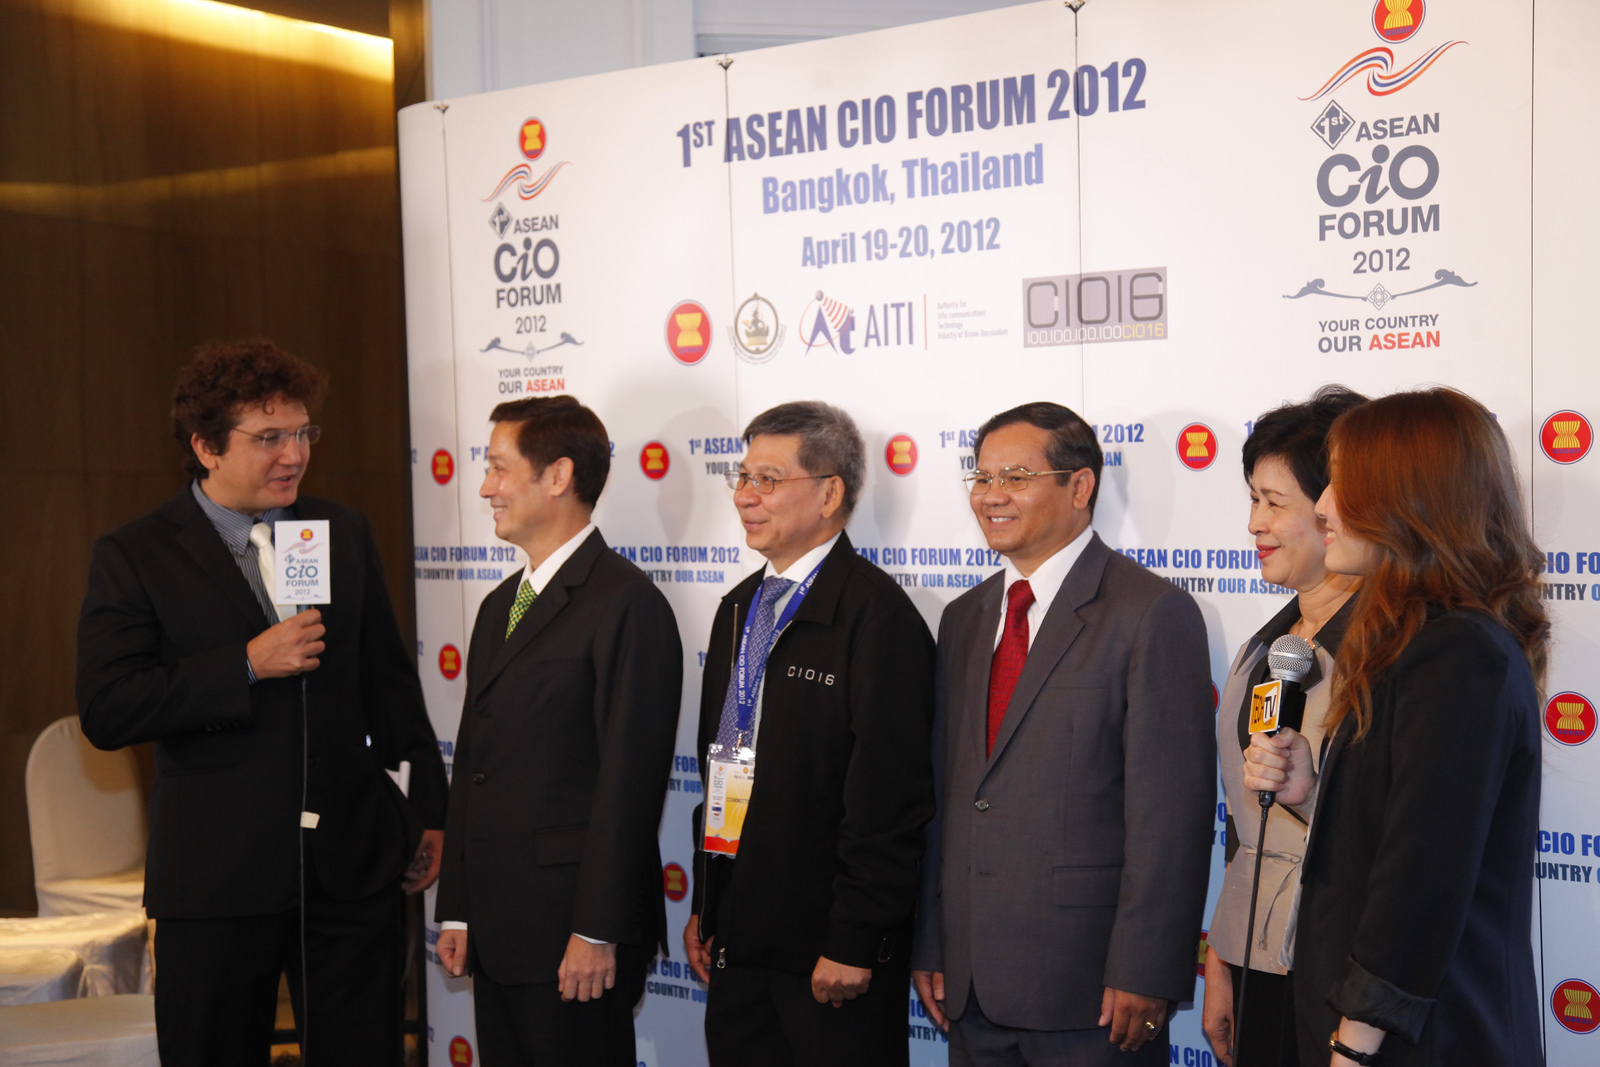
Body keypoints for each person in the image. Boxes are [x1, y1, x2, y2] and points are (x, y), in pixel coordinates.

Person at [76, 340, 448, 1065]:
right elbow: (109, 705)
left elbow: (389, 685)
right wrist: (245, 665)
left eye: (304, 433)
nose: (295, 454)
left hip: (349, 871)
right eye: (270, 437)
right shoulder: (136, 554)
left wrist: (428, 809)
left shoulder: (339, 531)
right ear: (206, 447)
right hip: (217, 879)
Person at [1244, 387, 1547, 1067]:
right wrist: (1313, 793)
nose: (1323, 506)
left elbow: (1422, 883)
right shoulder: (1411, 641)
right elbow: (1399, 831)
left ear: (1408, 500)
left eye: (1343, 484)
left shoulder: (1458, 652)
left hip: (1419, 1041)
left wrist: (1354, 1046)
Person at [911, 401, 1216, 1066]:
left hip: (1092, 992)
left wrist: (1147, 967)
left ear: (1079, 487)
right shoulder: (963, 618)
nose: (992, 495)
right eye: (982, 477)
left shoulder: (1151, 612)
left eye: (1016, 477)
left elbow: (1171, 817)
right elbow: (948, 794)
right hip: (971, 983)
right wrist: (933, 941)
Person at [683, 401, 935, 1067]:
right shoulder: (739, 607)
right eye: (742, 477)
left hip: (830, 959)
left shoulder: (878, 617)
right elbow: (722, 767)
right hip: (738, 944)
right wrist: (709, 905)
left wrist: (855, 938)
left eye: (767, 480)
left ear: (829, 494)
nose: (744, 496)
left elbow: (889, 802)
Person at [433, 395, 681, 1067]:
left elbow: (629, 783)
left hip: (573, 935)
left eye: (498, 467)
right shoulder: (498, 606)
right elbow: (475, 762)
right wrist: (458, 908)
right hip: (499, 930)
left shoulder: (626, 602)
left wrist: (596, 929)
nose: (484, 487)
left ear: (559, 476)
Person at [1201, 386, 1367, 1067]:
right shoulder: (1266, 646)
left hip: (1344, 966)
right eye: (1252, 500)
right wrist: (1222, 952)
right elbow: (1247, 825)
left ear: (1337, 509)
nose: (1254, 524)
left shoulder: (1391, 652)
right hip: (1255, 959)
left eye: (1275, 503)